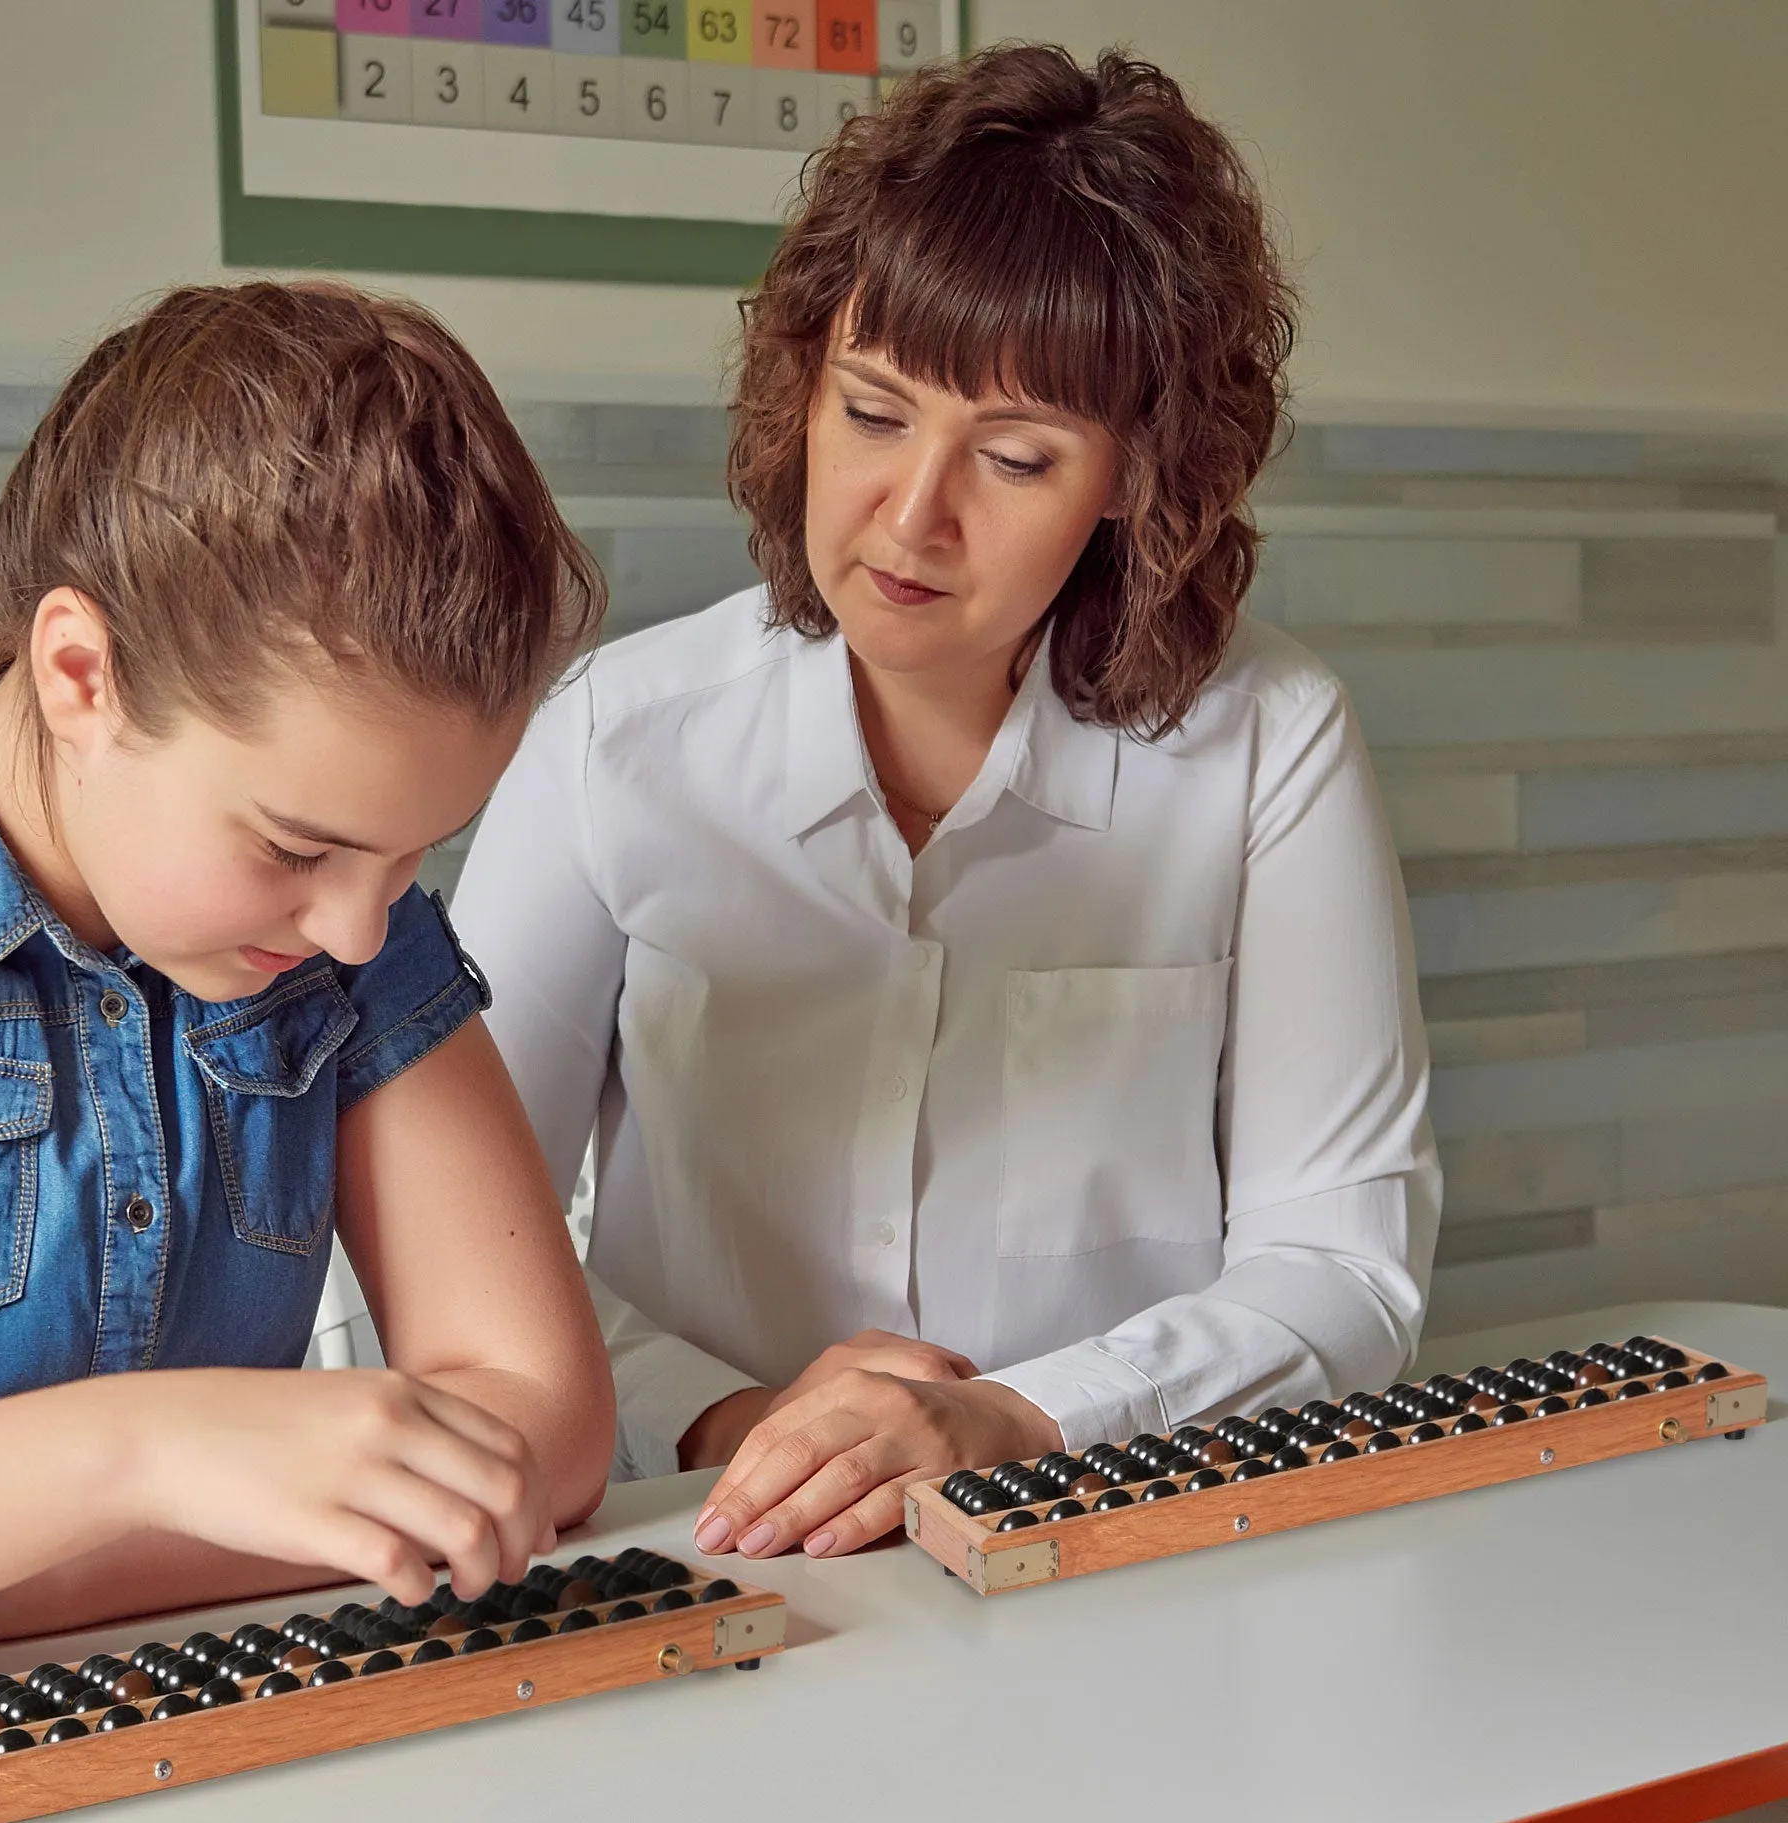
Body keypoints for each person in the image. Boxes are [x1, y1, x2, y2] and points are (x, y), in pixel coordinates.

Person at [453, 45, 1441, 1565]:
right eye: (871, 414)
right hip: (705, 1554)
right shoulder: (614, 744)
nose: (912, 516)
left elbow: (1345, 1268)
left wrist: (1021, 1422)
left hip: (1116, 1560)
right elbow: (447, 1253)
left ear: (1132, 477)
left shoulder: (1267, 744)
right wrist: (741, 1428)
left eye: (1018, 456)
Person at [0, 282, 615, 1697]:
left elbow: (545, 1429)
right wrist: (146, 1454)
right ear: (82, 675)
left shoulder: (345, 918)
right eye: (295, 846)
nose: (353, 931)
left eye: (412, 856)